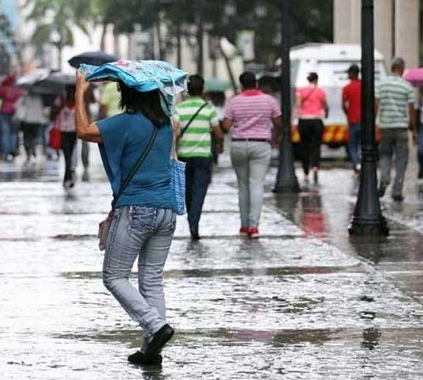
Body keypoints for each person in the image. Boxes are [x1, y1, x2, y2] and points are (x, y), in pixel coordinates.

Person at [74, 71, 177, 366]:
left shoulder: (125, 122)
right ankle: (150, 350)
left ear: (128, 95)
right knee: (152, 281)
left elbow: (83, 130)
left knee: (115, 276)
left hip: (136, 210)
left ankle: (155, 327)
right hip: (166, 210)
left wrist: (80, 92)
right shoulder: (166, 124)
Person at [220, 71, 282, 239]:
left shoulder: (234, 101)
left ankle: (244, 224)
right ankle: (254, 227)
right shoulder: (269, 100)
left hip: (239, 144)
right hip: (261, 144)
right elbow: (278, 122)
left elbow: (226, 126)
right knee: (256, 184)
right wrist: (275, 138)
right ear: (256, 83)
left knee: (242, 186)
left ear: (241, 85)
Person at [174, 74, 222, 240]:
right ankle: (194, 221)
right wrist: (219, 145)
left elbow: (176, 133)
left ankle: (191, 219)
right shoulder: (208, 109)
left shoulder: (179, 109)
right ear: (202, 89)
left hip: (184, 155)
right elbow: (218, 132)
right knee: (199, 190)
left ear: (187, 90)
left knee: (187, 190)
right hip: (203, 155)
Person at [375, 57, 416, 201]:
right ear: (402, 68)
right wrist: (414, 129)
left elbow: (376, 104)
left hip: (385, 126)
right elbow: (411, 110)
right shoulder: (407, 86)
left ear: (391, 68)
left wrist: (376, 123)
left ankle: (385, 179)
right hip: (401, 128)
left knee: (385, 154)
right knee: (401, 159)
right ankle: (397, 190)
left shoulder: (382, 84)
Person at [294, 72, 328, 182]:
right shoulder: (321, 92)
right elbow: (325, 105)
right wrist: (326, 114)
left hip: (304, 120)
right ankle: (315, 167)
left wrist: (293, 119)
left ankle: (305, 172)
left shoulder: (301, 91)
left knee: (304, 146)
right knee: (316, 145)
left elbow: (298, 105)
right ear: (316, 80)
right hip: (316, 120)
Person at [0, 74, 23, 161]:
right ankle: (12, 149)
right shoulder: (17, 90)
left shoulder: (2, 89)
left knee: (4, 133)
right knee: (13, 133)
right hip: (15, 112)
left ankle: (4, 152)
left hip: (3, 111)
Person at [53, 85, 78, 188]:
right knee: (67, 155)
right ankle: (68, 177)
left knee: (71, 155)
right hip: (62, 131)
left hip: (74, 131)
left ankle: (68, 177)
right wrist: (60, 107)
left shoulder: (78, 100)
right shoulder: (61, 100)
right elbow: (52, 113)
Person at [342, 64, 362, 174]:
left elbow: (344, 104)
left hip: (353, 120)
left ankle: (357, 165)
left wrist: (348, 113)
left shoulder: (347, 88)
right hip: (364, 121)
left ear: (352, 73)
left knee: (352, 146)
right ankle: (361, 163)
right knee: (362, 145)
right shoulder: (364, 85)